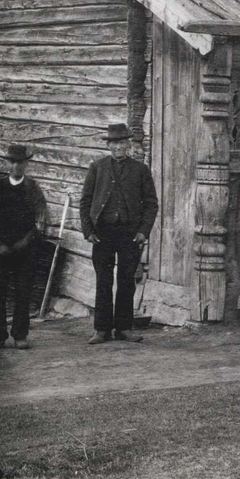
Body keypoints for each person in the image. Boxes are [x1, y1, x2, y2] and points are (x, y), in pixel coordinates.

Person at [80, 123, 159, 345]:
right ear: (108, 145)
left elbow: (151, 203)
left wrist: (144, 231)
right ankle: (102, 329)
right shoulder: (97, 167)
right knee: (103, 280)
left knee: (126, 280)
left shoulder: (140, 170)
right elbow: (85, 201)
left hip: (129, 234)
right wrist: (88, 230)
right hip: (103, 232)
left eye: (122, 142)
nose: (118, 147)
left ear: (128, 144)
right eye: (114, 143)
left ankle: (124, 327)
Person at [0, 143, 48, 351]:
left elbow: (41, 221)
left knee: (23, 291)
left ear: (26, 165)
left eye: (21, 162)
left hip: (24, 252)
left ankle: (20, 334)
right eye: (13, 162)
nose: (17, 166)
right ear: (8, 164)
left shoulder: (32, 188)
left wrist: (25, 242)